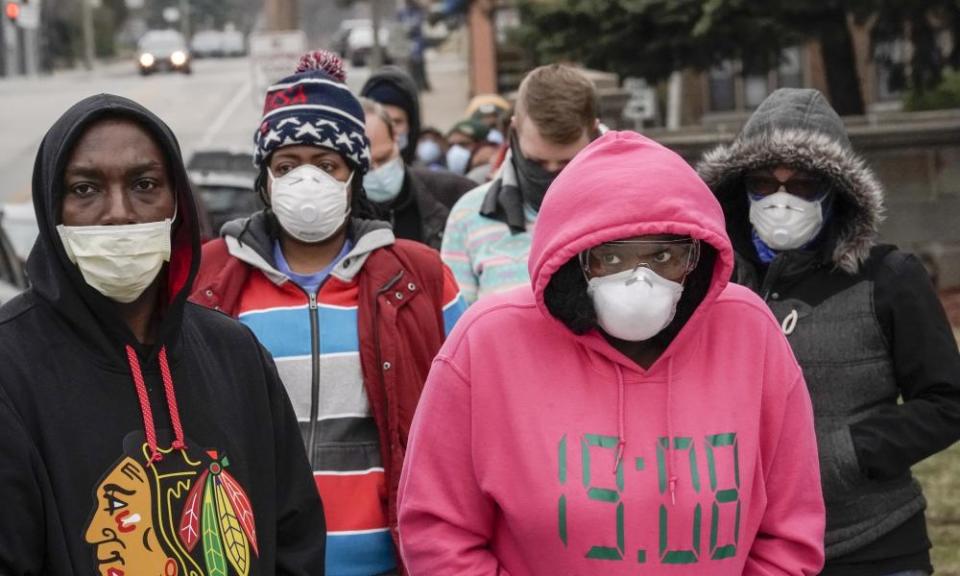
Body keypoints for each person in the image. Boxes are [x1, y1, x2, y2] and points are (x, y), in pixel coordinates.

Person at [398, 130, 826, 574]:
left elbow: (790, 531)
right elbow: (438, 531)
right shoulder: (488, 343)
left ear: (695, 260)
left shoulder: (749, 334)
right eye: (612, 257)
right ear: (572, 260)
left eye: (664, 257)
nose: (640, 278)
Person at [0, 94, 326, 574]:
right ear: (53, 209)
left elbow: (294, 536)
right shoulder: (12, 368)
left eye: (145, 184)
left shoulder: (236, 356)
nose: (119, 213)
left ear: (178, 204)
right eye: (86, 189)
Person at [191, 51, 467, 576]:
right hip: (248, 560)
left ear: (353, 174)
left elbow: (471, 414)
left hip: (388, 562)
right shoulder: (209, 280)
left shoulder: (419, 279)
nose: (306, 180)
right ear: (266, 177)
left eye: (327, 164)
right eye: (287, 165)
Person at [697, 87, 960, 575]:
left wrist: (846, 453)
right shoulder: (714, 281)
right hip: (747, 549)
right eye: (763, 182)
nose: (780, 199)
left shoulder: (888, 277)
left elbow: (948, 400)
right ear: (740, 188)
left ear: (836, 190)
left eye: (801, 185)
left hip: (873, 544)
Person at [442, 64, 600, 304]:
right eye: (536, 161)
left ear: (594, 134)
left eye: (566, 163)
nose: (550, 173)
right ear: (514, 132)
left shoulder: (633, 212)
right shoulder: (468, 216)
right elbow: (458, 331)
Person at [361, 98, 473, 249]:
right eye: (365, 166)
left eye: (383, 158)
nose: (377, 172)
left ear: (396, 138)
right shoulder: (343, 219)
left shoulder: (456, 192)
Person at [362, 65, 474, 210]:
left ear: (412, 125)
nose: (392, 132)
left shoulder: (446, 191)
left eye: (397, 122)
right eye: (383, 122)